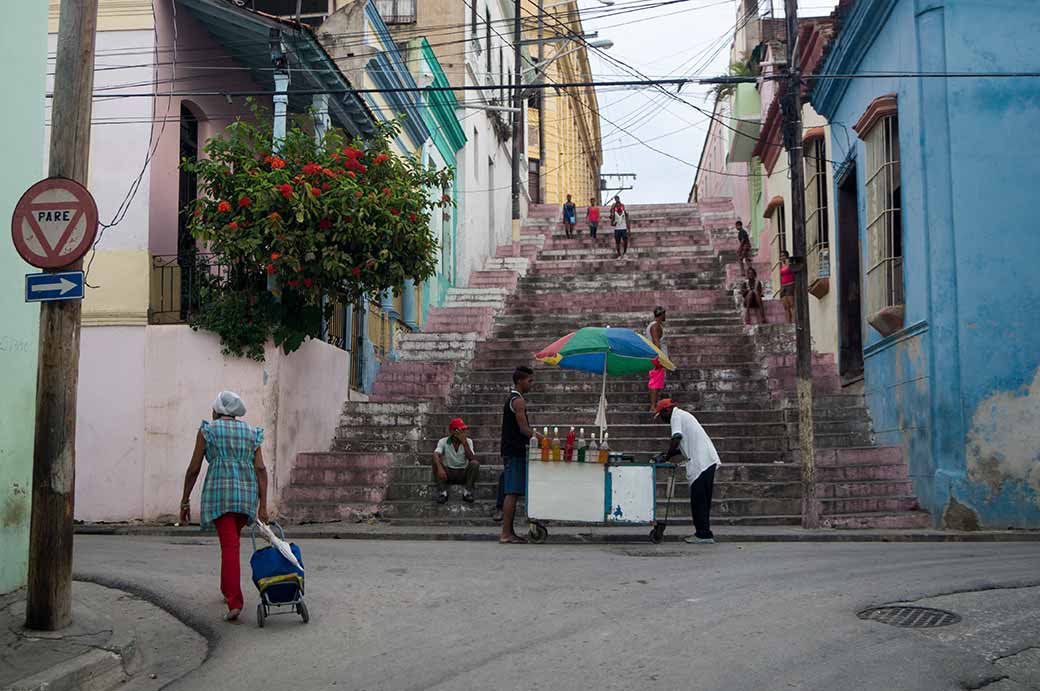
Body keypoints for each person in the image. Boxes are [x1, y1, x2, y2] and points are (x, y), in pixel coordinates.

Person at [179, 391, 269, 623]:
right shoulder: (251, 433)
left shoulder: (208, 430)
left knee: (230, 546)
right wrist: (263, 506)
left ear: (216, 411)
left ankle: (235, 601)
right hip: (246, 497)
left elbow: (194, 468)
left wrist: (185, 499)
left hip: (220, 496)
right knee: (231, 542)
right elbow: (260, 468)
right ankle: (225, 588)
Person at [654, 398, 720, 544]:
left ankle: (703, 535)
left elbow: (676, 438)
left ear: (666, 411)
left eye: (661, 416)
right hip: (707, 460)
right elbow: (681, 446)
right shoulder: (684, 416)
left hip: (701, 463)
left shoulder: (676, 417)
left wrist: (667, 457)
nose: (662, 420)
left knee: (698, 500)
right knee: (703, 500)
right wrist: (668, 455)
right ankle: (705, 533)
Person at [500, 366, 543, 544]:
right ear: (520, 381)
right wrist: (544, 439)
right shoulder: (518, 401)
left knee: (514, 492)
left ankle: (508, 532)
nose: (531, 384)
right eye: (529, 381)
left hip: (512, 449)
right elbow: (524, 429)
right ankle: (506, 533)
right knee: (512, 492)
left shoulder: (514, 399)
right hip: (515, 450)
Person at [432, 418, 479, 504]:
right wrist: (440, 468)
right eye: (460, 430)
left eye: (464, 430)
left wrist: (464, 443)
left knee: (475, 464)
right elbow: (435, 454)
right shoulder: (444, 441)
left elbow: (472, 458)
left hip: (463, 473)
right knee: (435, 462)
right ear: (452, 431)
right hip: (448, 473)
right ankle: (443, 493)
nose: (462, 432)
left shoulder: (468, 441)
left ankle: (467, 492)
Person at [646, 306, 668, 413]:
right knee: (655, 382)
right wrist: (660, 359)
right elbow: (656, 343)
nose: (665, 316)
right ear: (661, 314)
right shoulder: (655, 326)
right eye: (664, 314)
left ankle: (654, 405)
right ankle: (653, 406)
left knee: (656, 382)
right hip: (657, 358)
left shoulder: (652, 325)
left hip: (655, 358)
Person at [779, 250, 795, 323]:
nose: (782, 257)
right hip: (783, 286)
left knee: (791, 304)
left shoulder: (790, 264)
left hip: (790, 285)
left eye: (783, 256)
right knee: (786, 306)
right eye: (781, 256)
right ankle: (788, 322)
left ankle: (794, 321)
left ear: (787, 256)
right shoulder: (781, 265)